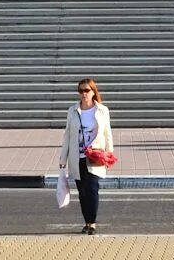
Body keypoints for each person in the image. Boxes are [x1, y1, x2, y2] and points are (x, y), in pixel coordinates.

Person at [58, 78, 114, 235]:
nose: (84, 94)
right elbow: (68, 135)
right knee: (82, 192)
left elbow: (107, 133)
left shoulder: (102, 110)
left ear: (93, 92)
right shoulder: (73, 110)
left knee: (92, 189)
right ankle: (86, 222)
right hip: (77, 156)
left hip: (95, 156)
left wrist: (109, 153)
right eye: (81, 91)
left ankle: (93, 223)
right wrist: (63, 159)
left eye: (87, 90)